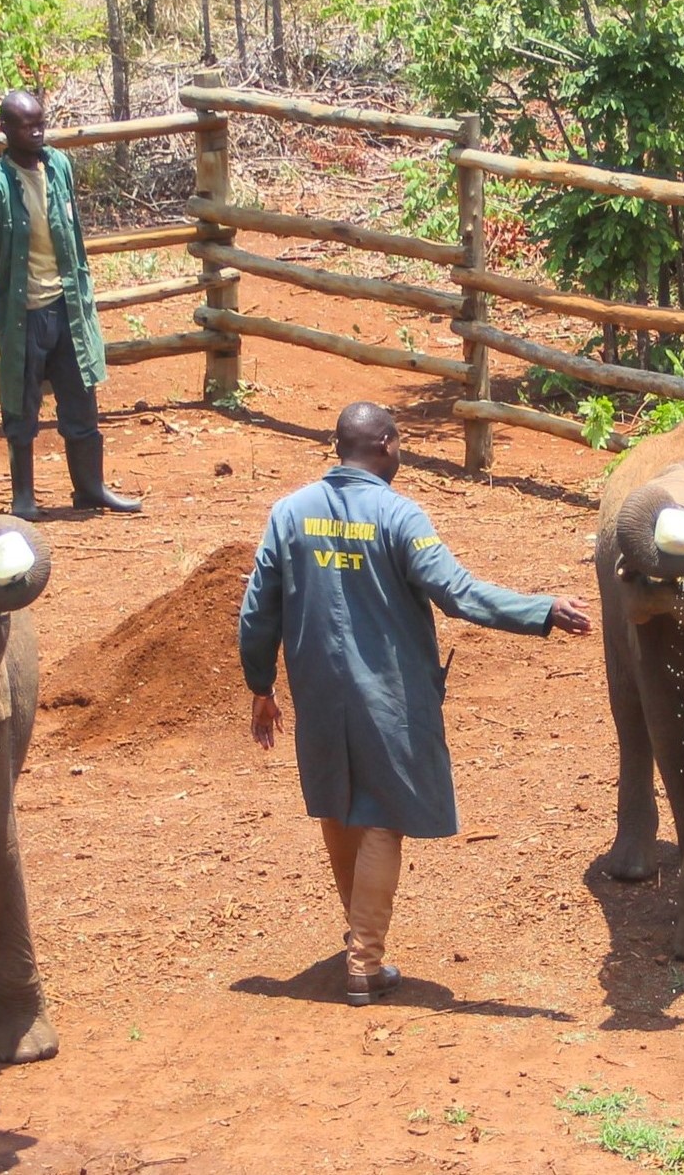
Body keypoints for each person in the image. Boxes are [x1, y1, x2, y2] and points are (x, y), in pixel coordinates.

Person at [238, 401, 591, 1006]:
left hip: (319, 691)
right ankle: (364, 963)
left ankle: (358, 934)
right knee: (382, 816)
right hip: (388, 696)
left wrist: (261, 687)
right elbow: (456, 593)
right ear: (387, 444)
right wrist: (540, 609)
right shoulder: (400, 516)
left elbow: (256, 612)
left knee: (336, 801)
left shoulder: (288, 514)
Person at [0, 90, 141, 520]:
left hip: (68, 308)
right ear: (5, 129)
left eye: (41, 123)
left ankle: (91, 488)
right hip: (24, 313)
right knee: (22, 404)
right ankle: (24, 498)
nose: (37, 131)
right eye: (27, 126)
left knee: (81, 399)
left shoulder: (59, 166)